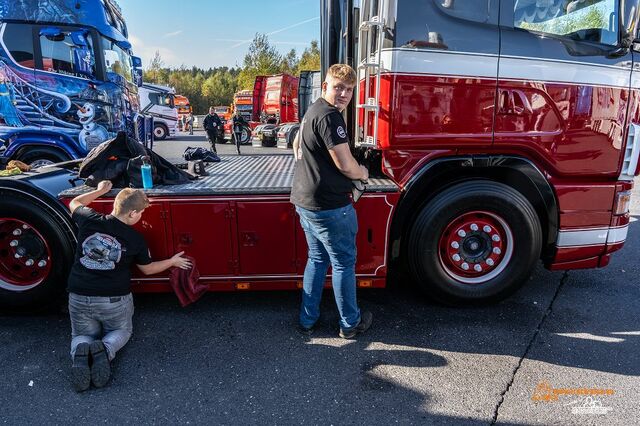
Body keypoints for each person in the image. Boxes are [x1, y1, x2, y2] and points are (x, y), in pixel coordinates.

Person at [67, 181, 191, 392]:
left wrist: (100, 191)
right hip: (113, 299)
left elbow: (75, 202)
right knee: (122, 330)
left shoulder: (89, 219)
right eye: (141, 212)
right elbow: (148, 269)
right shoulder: (135, 239)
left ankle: (81, 350)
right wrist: (172, 262)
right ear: (132, 213)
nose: (141, 216)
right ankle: (105, 350)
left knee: (81, 335)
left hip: (79, 295)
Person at [290, 64, 371, 339]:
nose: (344, 94)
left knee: (316, 258)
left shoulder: (312, 110)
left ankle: (308, 319)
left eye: (349, 90)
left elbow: (296, 147)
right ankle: (350, 324)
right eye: (339, 87)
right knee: (343, 263)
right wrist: (363, 172)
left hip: (306, 201)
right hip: (330, 207)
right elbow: (345, 164)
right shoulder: (330, 118)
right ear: (325, 85)